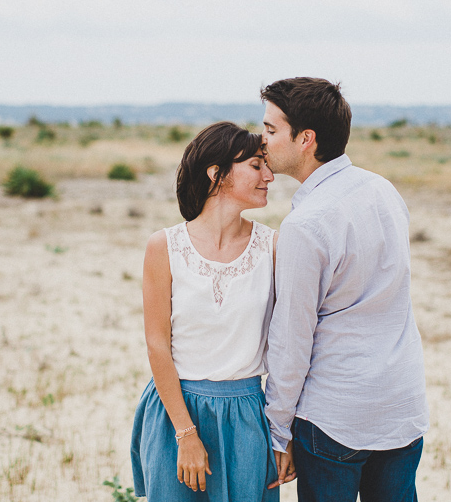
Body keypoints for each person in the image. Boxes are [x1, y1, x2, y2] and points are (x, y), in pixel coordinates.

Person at [261, 78, 430, 502]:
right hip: (400, 404)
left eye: (270, 130)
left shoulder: (306, 224)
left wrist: (277, 431)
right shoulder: (382, 190)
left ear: (305, 139)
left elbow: (292, 337)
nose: (261, 142)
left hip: (335, 417)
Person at [130, 121, 280, 501]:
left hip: (248, 414)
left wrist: (282, 434)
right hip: (176, 411)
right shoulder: (163, 246)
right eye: (256, 165)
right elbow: (157, 345)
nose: (270, 176)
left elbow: (287, 345)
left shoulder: (274, 247)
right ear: (217, 173)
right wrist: (185, 432)